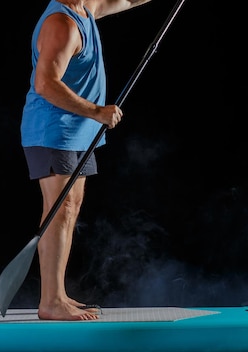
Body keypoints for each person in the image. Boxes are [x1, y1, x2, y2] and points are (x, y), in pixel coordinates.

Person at [20, 0, 153, 321]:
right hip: (54, 131)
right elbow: (45, 84)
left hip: (77, 133)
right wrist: (97, 112)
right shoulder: (61, 24)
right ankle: (50, 301)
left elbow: (128, 0)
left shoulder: (86, 9)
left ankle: (58, 294)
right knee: (59, 210)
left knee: (69, 208)